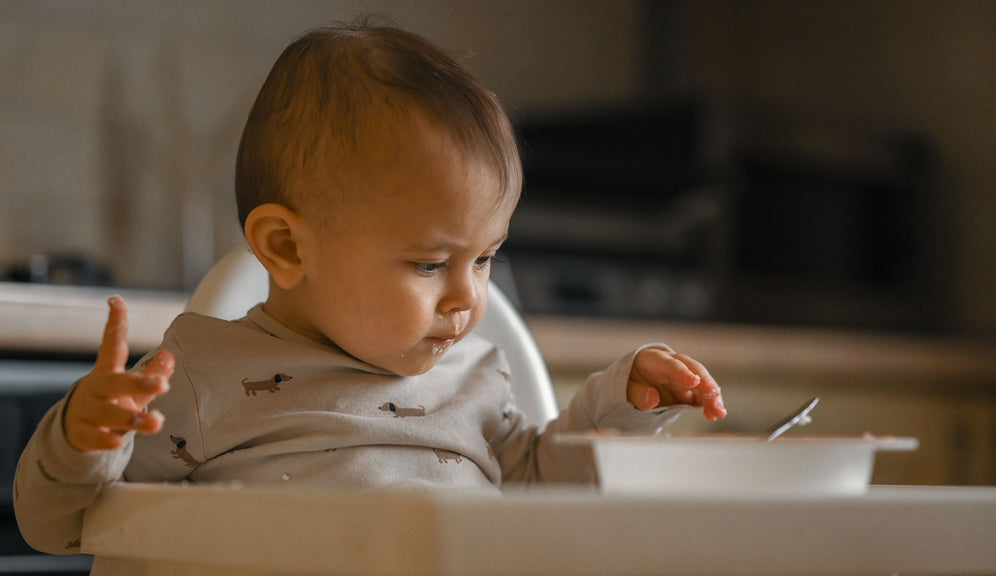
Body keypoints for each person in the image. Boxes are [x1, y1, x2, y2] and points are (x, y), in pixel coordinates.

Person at [14, 22, 727, 560]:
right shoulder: (204, 379)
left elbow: (541, 495)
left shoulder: (473, 379)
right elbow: (55, 524)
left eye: (484, 260)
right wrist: (86, 436)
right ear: (289, 248)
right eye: (428, 264)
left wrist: (623, 406)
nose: (466, 300)